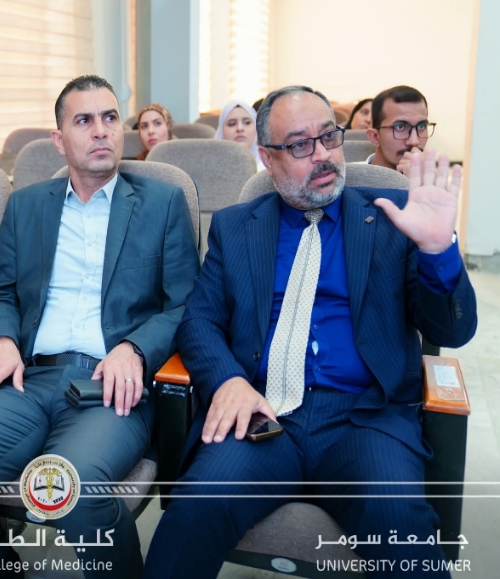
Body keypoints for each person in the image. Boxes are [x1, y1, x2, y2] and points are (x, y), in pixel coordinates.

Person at [144, 85, 476, 579]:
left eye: (329, 137)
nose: (322, 154)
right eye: (300, 144)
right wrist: (229, 381)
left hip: (365, 419)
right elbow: (199, 320)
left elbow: (453, 328)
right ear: (267, 157)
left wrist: (437, 251)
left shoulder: (393, 217)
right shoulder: (236, 227)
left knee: (403, 530)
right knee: (191, 514)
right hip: (262, 413)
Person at [0, 75, 200, 579]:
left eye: (110, 118)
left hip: (110, 385)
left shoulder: (162, 203)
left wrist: (135, 348)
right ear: (59, 139)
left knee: (71, 489)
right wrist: (3, 339)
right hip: (29, 378)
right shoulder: (27, 205)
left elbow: (186, 305)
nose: (101, 131)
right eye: (84, 120)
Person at [366, 85, 434, 175]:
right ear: (375, 137)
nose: (414, 141)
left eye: (421, 126)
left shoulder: (437, 179)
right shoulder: (351, 179)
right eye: (400, 127)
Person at [215, 100, 264, 171]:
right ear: (222, 131)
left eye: (247, 122)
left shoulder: (268, 167)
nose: (240, 128)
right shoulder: (212, 167)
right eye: (232, 124)